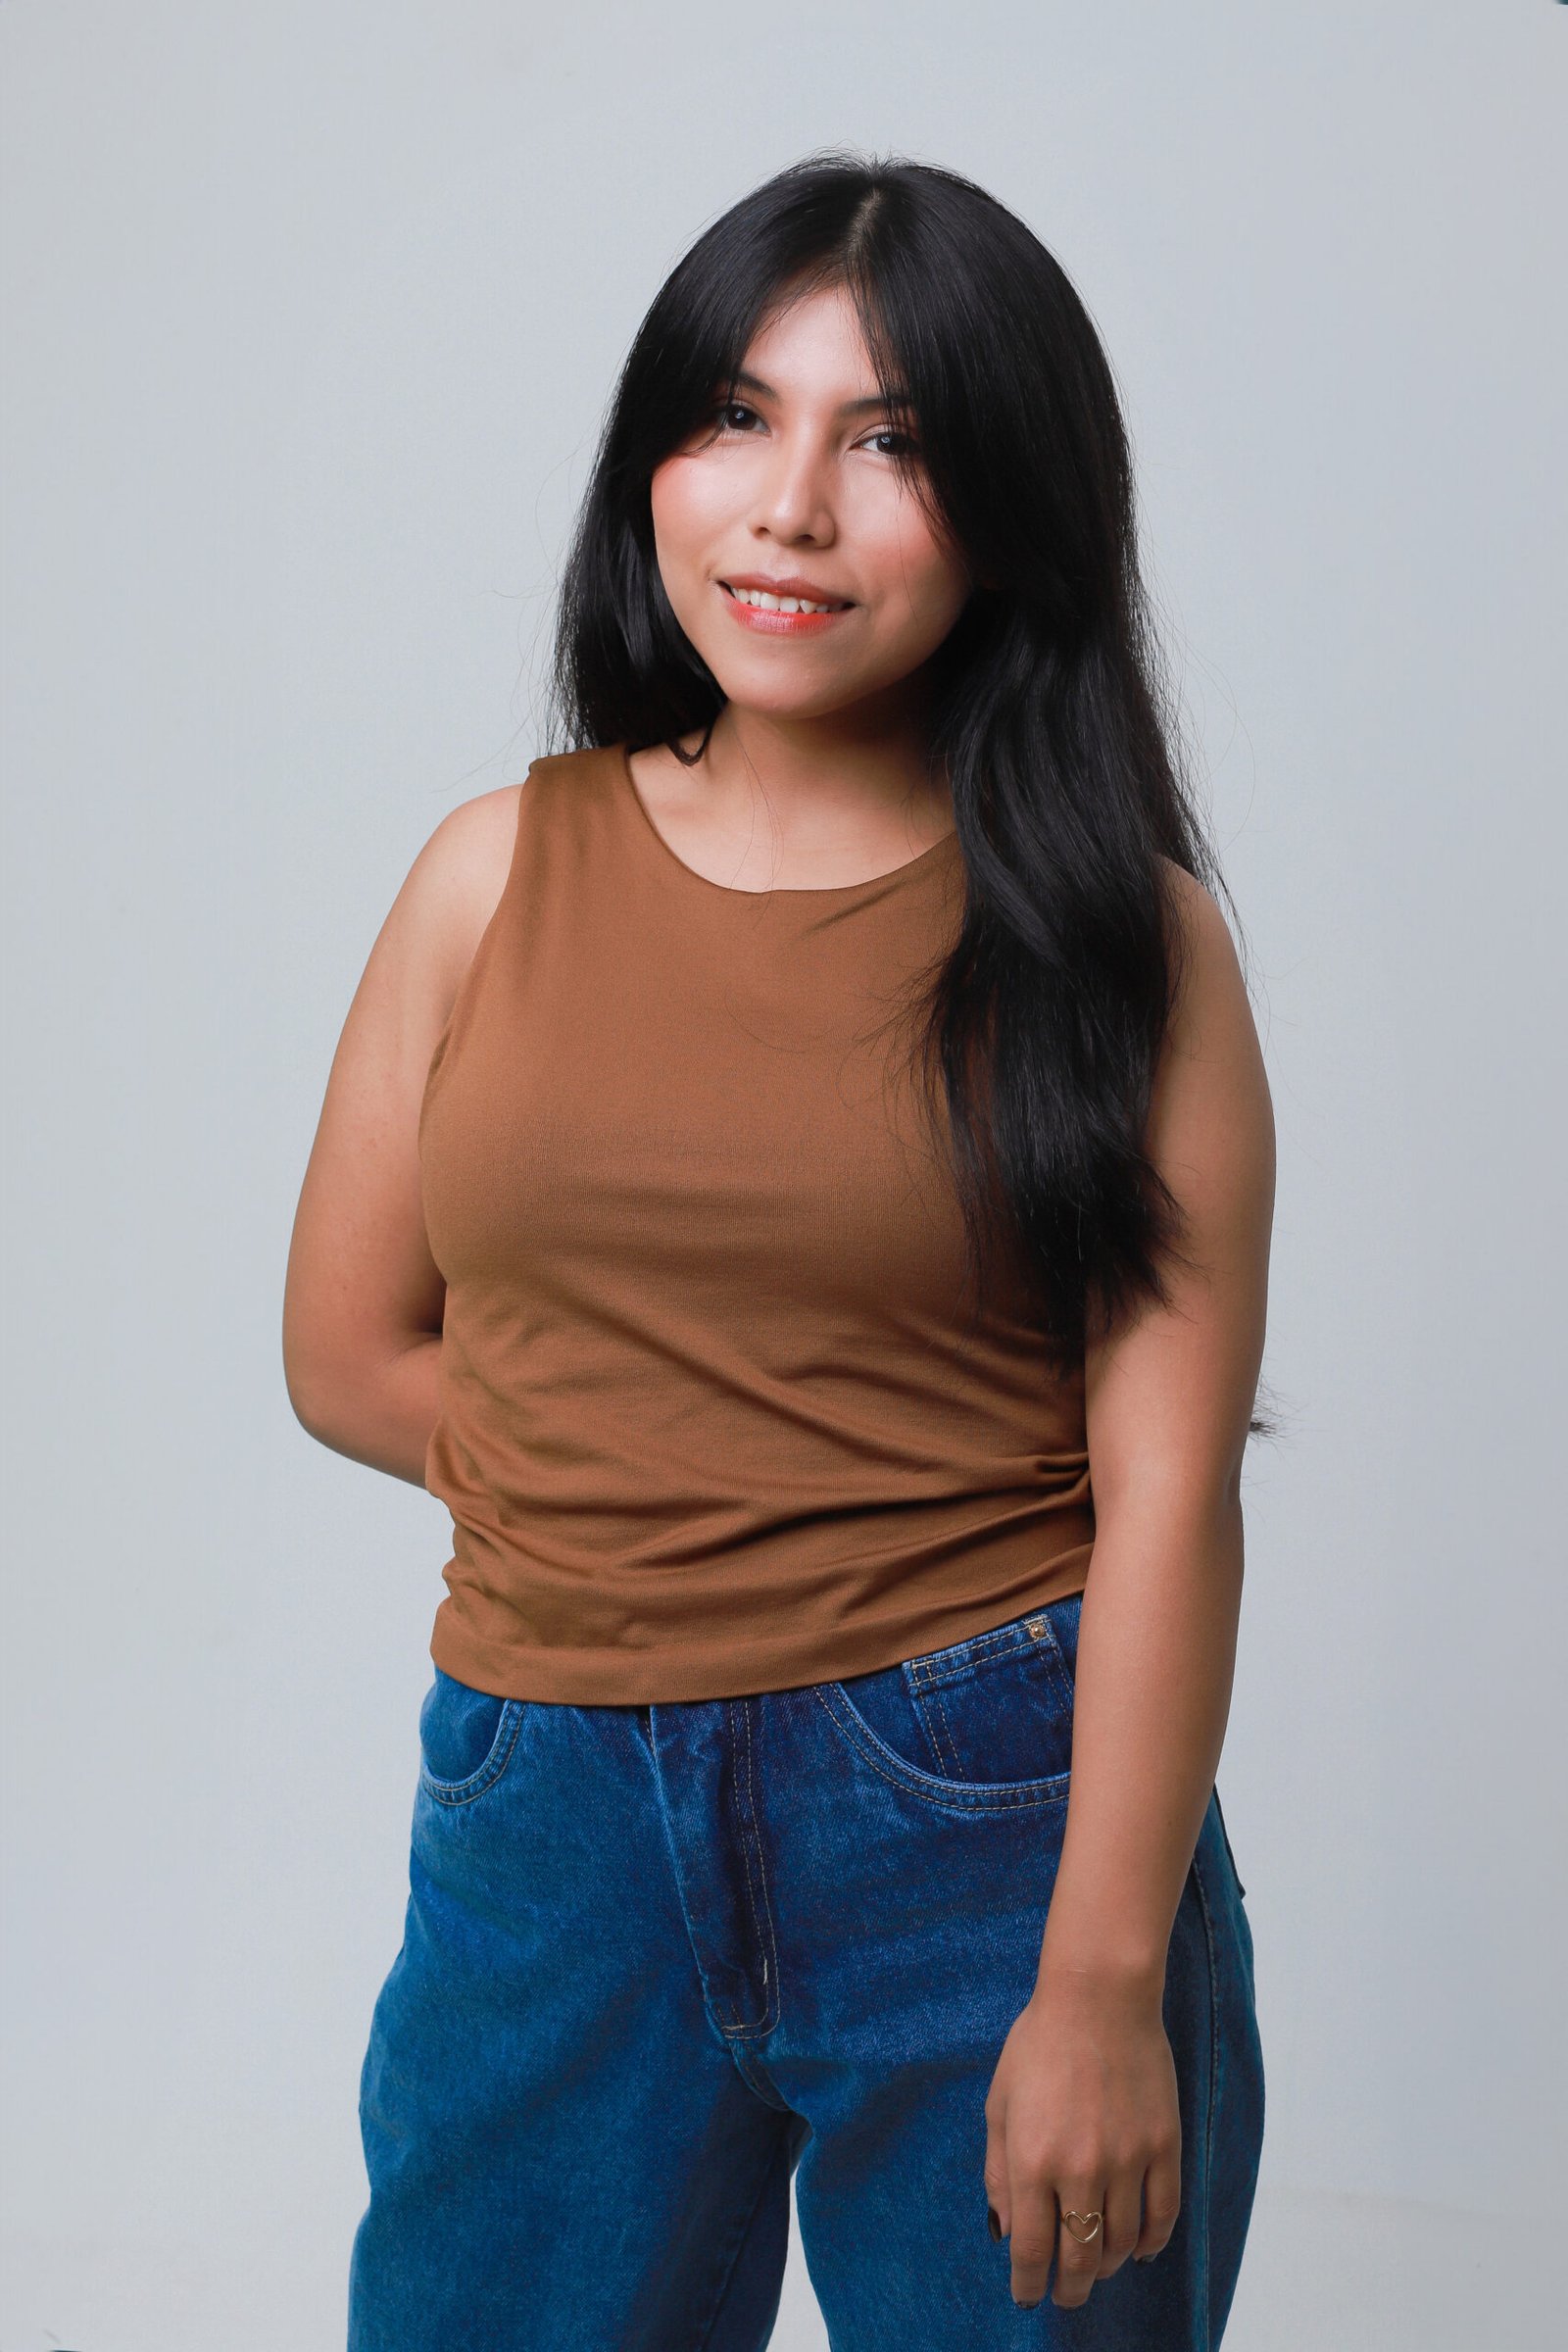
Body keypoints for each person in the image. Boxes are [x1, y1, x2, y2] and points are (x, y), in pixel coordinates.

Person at [283, 147, 1274, 2350]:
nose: (789, 507)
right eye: (735, 417)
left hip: (993, 1825)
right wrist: (660, 1510)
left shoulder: (1125, 944)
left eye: (889, 441)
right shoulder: (490, 876)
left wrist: (1101, 1980)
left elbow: (1170, 1494)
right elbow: (348, 1352)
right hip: (550, 1819)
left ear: (1008, 510)